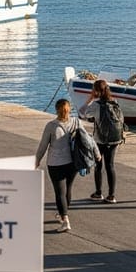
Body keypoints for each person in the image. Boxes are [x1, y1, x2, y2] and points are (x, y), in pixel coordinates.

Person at [36, 98, 80, 232]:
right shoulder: (76, 122)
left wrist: (37, 160)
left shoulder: (51, 125)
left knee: (59, 192)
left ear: (56, 110)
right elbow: (86, 139)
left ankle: (65, 219)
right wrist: (96, 154)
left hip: (55, 163)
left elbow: (43, 145)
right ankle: (62, 214)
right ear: (69, 109)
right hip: (73, 162)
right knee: (68, 189)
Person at [79, 79, 124, 204]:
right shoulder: (115, 102)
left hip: (100, 139)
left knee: (99, 166)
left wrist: (90, 99)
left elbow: (82, 113)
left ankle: (98, 193)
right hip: (115, 139)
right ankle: (111, 195)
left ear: (96, 91)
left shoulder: (96, 105)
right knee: (110, 165)